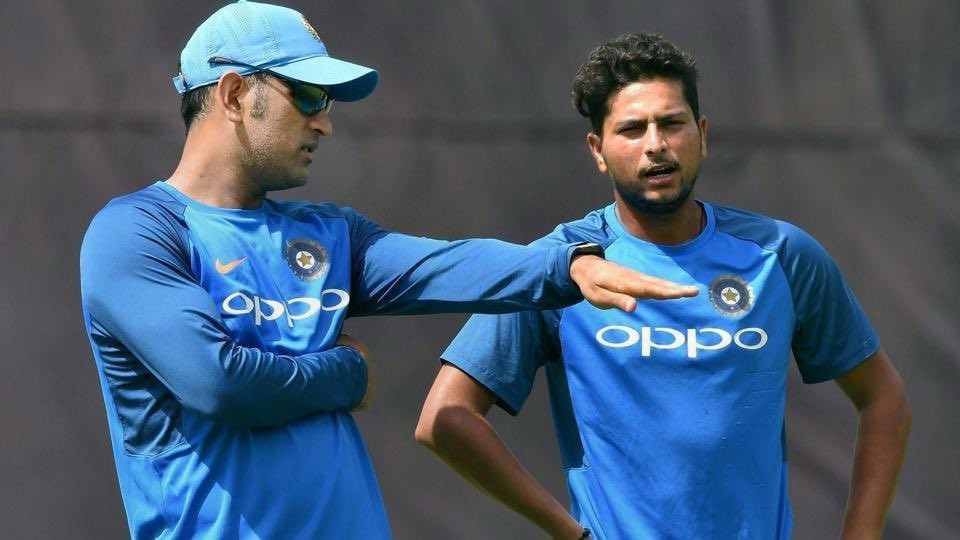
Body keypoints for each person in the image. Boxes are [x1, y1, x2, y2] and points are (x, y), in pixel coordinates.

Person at [78, 4, 698, 539]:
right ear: (235, 94)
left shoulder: (326, 232)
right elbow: (222, 384)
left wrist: (568, 266)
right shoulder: (135, 232)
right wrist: (349, 372)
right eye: (308, 95)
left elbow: (444, 264)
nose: (324, 121)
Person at [416, 33, 912, 539]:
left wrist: (862, 531)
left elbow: (883, 398)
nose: (656, 144)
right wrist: (567, 532)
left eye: (672, 123)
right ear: (598, 150)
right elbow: (444, 418)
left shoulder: (781, 256)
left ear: (702, 133)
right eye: (632, 129)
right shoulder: (561, 265)